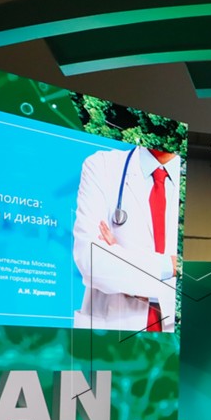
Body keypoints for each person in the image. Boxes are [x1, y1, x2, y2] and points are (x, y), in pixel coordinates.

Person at [72, 140, 181, 331]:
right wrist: (171, 266)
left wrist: (122, 258)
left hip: (174, 335)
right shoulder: (103, 166)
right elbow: (93, 262)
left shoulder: (199, 180)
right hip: (112, 331)